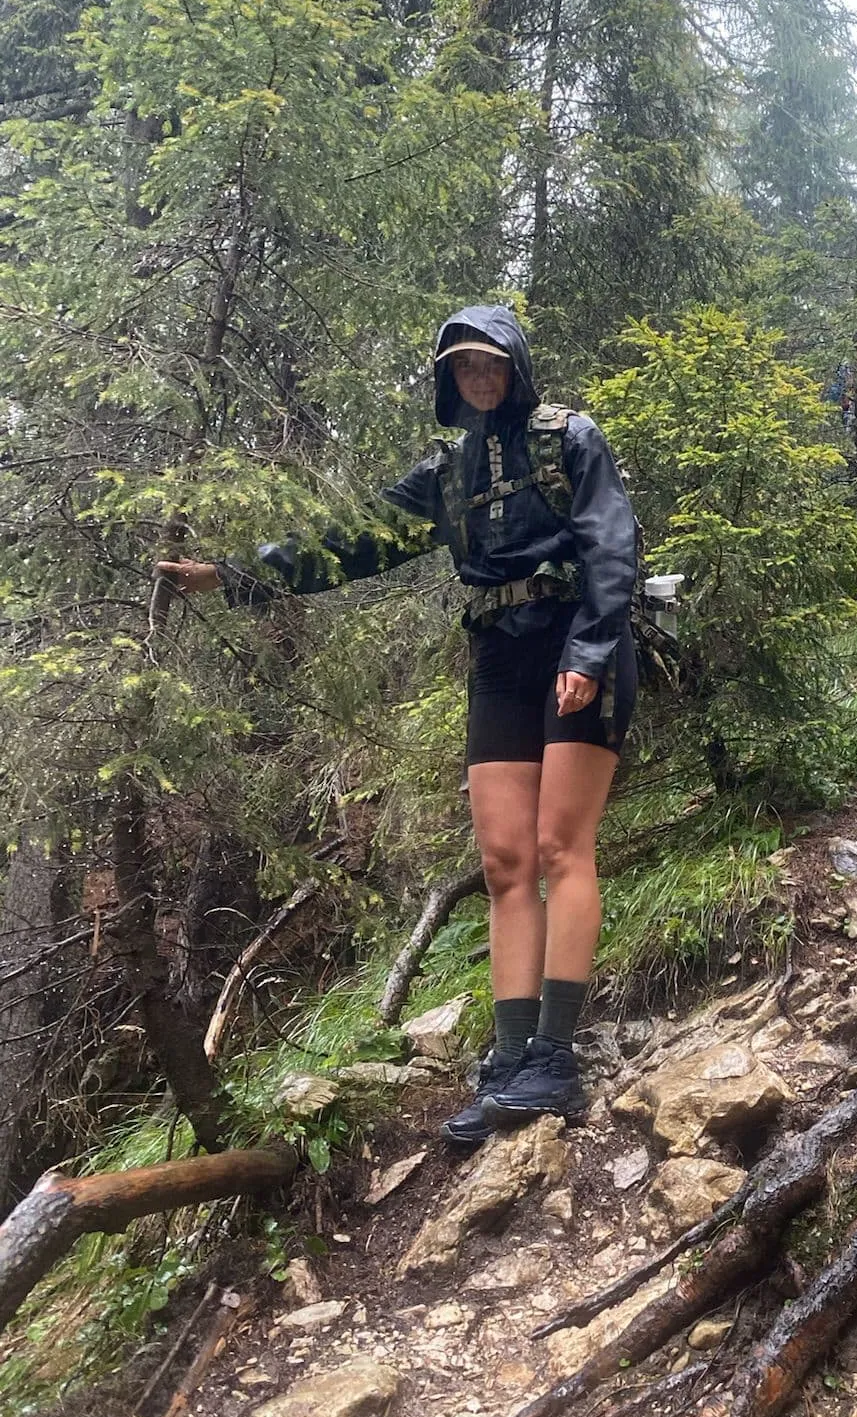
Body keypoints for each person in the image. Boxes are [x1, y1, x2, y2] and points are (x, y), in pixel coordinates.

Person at [155, 304, 638, 1147]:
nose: (477, 377)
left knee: (563, 848)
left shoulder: (571, 437)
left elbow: (611, 544)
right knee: (504, 862)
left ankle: (554, 1062)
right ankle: (511, 1059)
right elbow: (352, 542)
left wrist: (592, 650)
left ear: (515, 365)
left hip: (574, 639)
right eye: (461, 367)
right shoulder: (446, 475)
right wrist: (230, 577)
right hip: (497, 653)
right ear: (449, 381)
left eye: (488, 362)